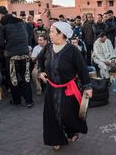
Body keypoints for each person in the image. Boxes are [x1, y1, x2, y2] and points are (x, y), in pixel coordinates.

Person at [37, 21, 93, 150]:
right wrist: (40, 72)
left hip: (68, 89)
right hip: (51, 89)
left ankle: (71, 131)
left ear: (61, 34)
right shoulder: (48, 47)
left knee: (67, 114)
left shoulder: (72, 50)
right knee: (51, 115)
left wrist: (88, 86)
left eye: (52, 31)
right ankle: (55, 139)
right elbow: (40, 60)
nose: (49, 34)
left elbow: (82, 69)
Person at [0, 6, 33, 108]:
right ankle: (29, 100)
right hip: (25, 53)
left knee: (13, 78)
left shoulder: (1, 23)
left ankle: (17, 100)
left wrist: (5, 48)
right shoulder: (20, 21)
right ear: (7, 12)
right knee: (26, 77)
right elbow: (25, 36)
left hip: (12, 55)